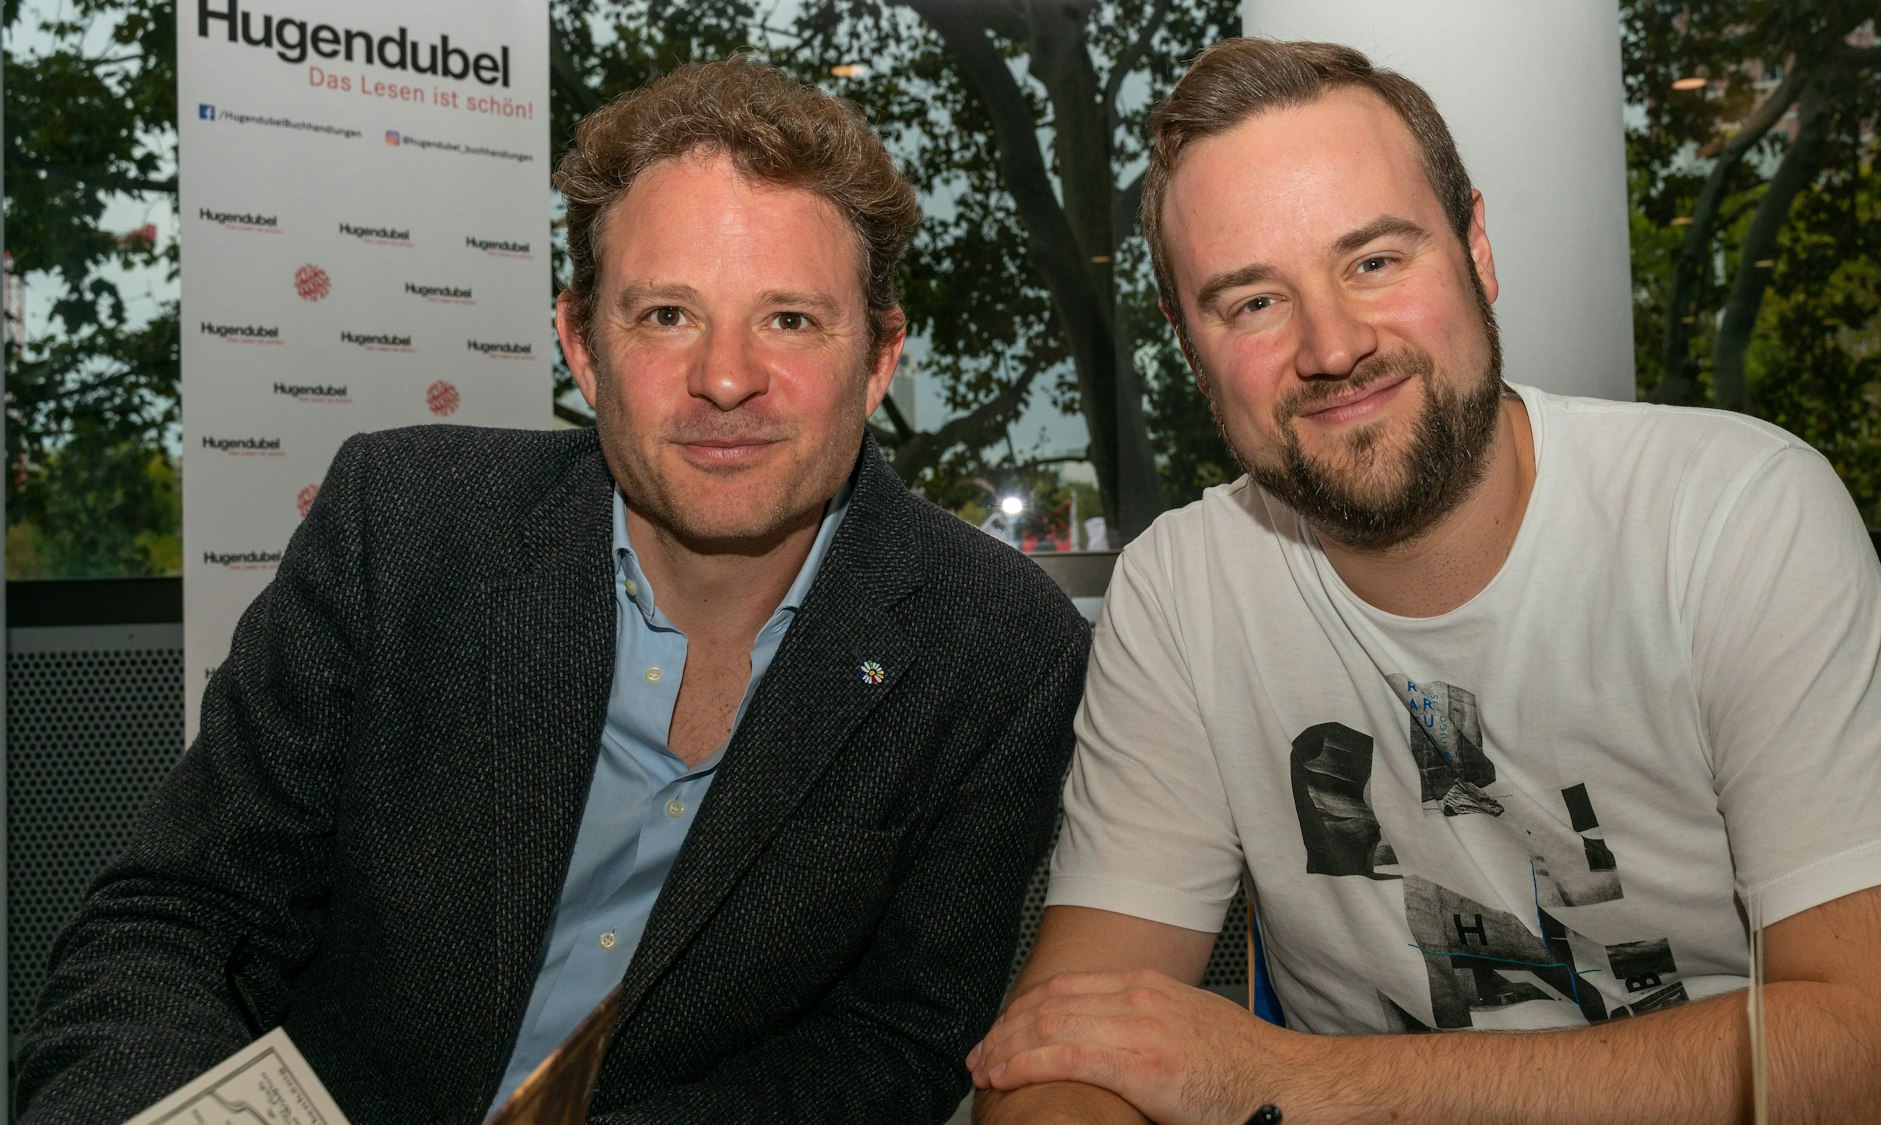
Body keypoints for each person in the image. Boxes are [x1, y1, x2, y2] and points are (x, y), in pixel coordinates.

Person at [19, 57, 1090, 1124]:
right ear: (581, 346)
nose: (724, 378)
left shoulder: (994, 645)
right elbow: (175, 921)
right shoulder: (401, 527)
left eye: (791, 321)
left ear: (877, 358)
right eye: (666, 315)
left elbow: (894, 1040)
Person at [970, 38, 1881, 1125]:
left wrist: (1301, 1083)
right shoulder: (1180, 592)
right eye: (1251, 303)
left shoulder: (1735, 516)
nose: (1330, 345)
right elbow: (1061, 1057)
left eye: (1373, 260)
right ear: (1188, 346)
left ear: (1475, 248)